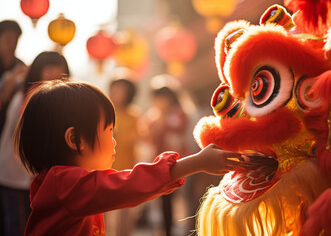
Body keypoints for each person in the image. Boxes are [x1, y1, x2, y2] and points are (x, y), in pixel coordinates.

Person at [14, 79, 242, 235]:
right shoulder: (66, 184)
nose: (113, 140)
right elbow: (129, 185)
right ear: (75, 140)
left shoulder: (61, 183)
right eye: (108, 130)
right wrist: (196, 162)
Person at [0, 51, 69, 236]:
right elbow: (29, 140)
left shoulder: (50, 101)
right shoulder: (26, 99)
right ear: (38, 72)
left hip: (33, 175)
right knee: (19, 225)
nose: (54, 79)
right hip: (17, 174)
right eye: (50, 72)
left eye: (60, 74)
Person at [144, 86, 189, 236]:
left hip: (178, 160)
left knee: (178, 196)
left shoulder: (178, 114)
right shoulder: (153, 116)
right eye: (157, 98)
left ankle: (177, 227)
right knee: (164, 197)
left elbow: (178, 131)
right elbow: (148, 137)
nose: (160, 102)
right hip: (159, 162)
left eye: (163, 98)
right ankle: (166, 227)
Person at [105, 78, 141, 236]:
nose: (117, 93)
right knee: (104, 209)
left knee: (126, 209)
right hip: (106, 166)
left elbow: (132, 138)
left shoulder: (133, 115)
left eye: (121, 90)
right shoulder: (104, 111)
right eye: (115, 88)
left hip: (127, 167)